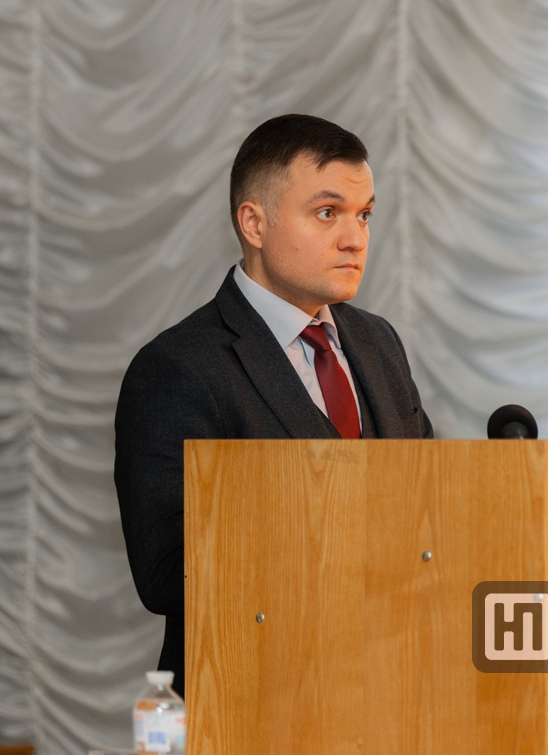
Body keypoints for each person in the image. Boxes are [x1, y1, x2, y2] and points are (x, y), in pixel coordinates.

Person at [113, 114, 433, 696]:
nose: (356, 238)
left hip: (393, 688)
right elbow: (165, 572)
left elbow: (427, 504)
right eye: (328, 212)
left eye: (364, 214)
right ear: (254, 223)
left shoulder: (379, 341)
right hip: (254, 696)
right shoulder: (177, 368)